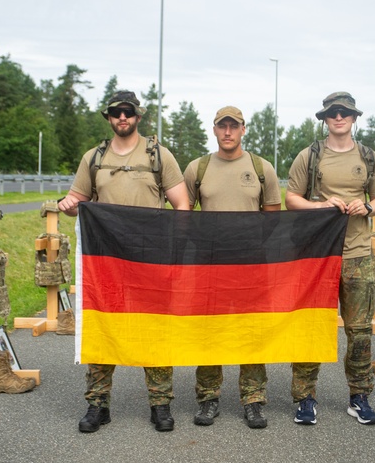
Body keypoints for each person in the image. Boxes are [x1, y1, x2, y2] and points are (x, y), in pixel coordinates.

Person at [58, 90, 191, 433]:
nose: (122, 118)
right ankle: (97, 405)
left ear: (138, 116)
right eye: (116, 112)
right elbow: (79, 198)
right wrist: (68, 204)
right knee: (103, 327)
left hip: (151, 259)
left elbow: (182, 205)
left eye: (128, 112)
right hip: (107, 262)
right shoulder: (94, 158)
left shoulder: (158, 155)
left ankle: (160, 405)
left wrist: (173, 247)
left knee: (154, 330)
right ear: (108, 117)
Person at [284, 92, 375, 426]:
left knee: (359, 331)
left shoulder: (369, 158)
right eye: (332, 113)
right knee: (311, 325)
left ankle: (359, 396)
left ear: (354, 118)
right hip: (317, 255)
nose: (338, 117)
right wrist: (320, 207)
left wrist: (368, 207)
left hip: (357, 255)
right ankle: (304, 398)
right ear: (325, 119)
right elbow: (291, 199)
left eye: (344, 112)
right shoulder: (310, 156)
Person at [183, 105, 281, 429]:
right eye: (222, 126)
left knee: (251, 330)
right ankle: (208, 397)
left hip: (251, 265)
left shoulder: (261, 168)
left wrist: (248, 242)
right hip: (209, 266)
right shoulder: (198, 168)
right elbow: (182, 213)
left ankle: (253, 400)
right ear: (214, 130)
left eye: (233, 126)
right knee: (210, 331)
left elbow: (273, 215)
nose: (228, 132)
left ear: (243, 129)